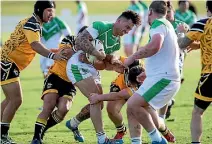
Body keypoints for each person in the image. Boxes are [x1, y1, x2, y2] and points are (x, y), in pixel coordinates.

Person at [66, 10, 141, 144]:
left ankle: (73, 122)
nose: (128, 31)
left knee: (98, 104)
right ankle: (102, 139)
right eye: (127, 27)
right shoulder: (101, 26)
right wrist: (95, 52)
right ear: (119, 20)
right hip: (77, 65)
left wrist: (113, 66)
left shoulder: (117, 43)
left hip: (92, 69)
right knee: (95, 99)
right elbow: (80, 40)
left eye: (130, 29)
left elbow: (101, 65)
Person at [0, 1, 66, 143]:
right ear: (39, 10)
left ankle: (1, 134)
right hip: (6, 63)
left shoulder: (32, 22)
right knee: (16, 100)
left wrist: (54, 51)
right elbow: (35, 45)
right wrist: (53, 56)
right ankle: (2, 136)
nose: (51, 14)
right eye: (48, 10)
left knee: (9, 100)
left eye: (53, 11)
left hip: (7, 63)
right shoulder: (32, 24)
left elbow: (34, 45)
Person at [124, 1, 181, 144]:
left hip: (164, 78)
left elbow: (155, 45)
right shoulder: (165, 24)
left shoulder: (158, 24)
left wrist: (133, 56)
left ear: (149, 12)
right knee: (132, 108)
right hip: (159, 77)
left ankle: (157, 139)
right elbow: (163, 54)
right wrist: (148, 72)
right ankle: (136, 141)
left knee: (133, 105)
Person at [30, 26, 88, 144]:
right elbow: (65, 53)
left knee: (64, 109)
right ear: (79, 34)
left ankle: (43, 130)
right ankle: (36, 138)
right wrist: (82, 53)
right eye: (85, 35)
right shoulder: (69, 39)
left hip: (70, 83)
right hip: (55, 77)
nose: (87, 39)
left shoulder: (91, 49)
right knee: (49, 106)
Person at [178, 1, 212, 143]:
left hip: (209, 74)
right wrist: (200, 45)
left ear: (208, 9)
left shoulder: (203, 24)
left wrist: (181, 32)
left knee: (197, 112)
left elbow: (181, 44)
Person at [159, 1, 189, 120]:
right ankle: (168, 104)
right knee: (163, 90)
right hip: (162, 62)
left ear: (174, 12)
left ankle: (161, 118)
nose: (167, 14)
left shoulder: (181, 25)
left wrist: (182, 33)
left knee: (167, 89)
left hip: (176, 63)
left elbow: (183, 46)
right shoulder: (160, 25)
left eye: (169, 12)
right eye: (165, 12)